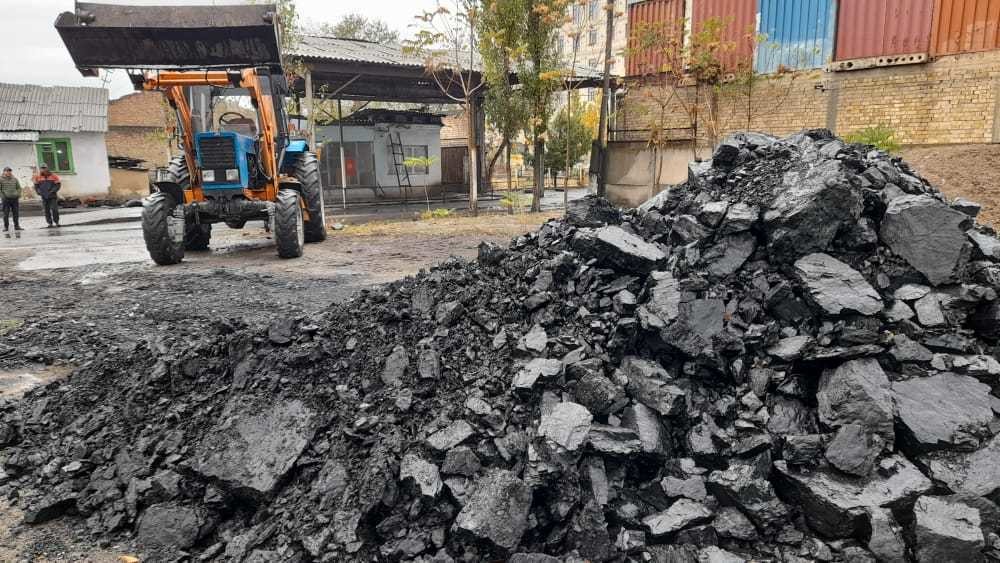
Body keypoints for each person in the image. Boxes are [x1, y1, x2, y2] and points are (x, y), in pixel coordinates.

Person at [1, 167, 22, 232]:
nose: (8, 172)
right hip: (6, 199)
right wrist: (3, 196)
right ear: (4, 172)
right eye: (7, 171)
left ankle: (17, 226)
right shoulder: (1, 179)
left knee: (16, 213)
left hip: (15, 199)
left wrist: (18, 194)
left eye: (9, 171)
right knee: (6, 214)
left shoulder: (15, 179)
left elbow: (19, 188)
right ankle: (6, 227)